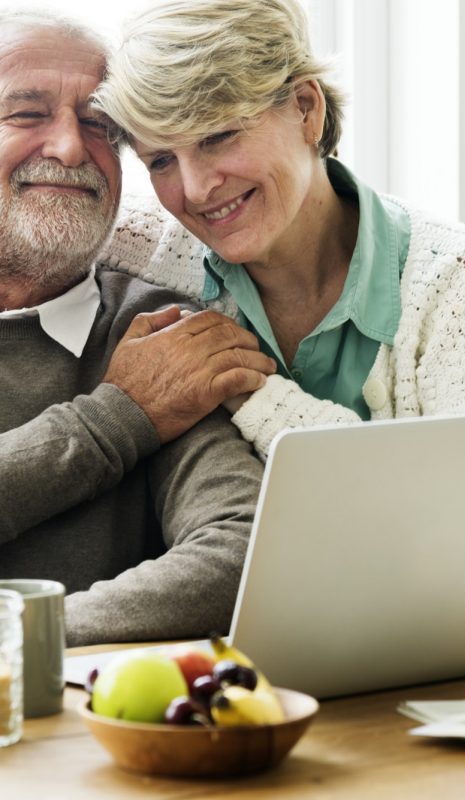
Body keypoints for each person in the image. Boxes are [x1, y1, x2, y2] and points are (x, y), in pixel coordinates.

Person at [94, 0, 465, 462]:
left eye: (217, 137)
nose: (195, 189)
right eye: (162, 161)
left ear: (306, 109)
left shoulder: (461, 278)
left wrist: (255, 396)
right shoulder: (133, 248)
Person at [0, 8, 278, 646]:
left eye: (98, 125)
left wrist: (25, 643)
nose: (72, 148)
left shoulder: (156, 331)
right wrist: (116, 419)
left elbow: (243, 548)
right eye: (26, 113)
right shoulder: (141, 384)